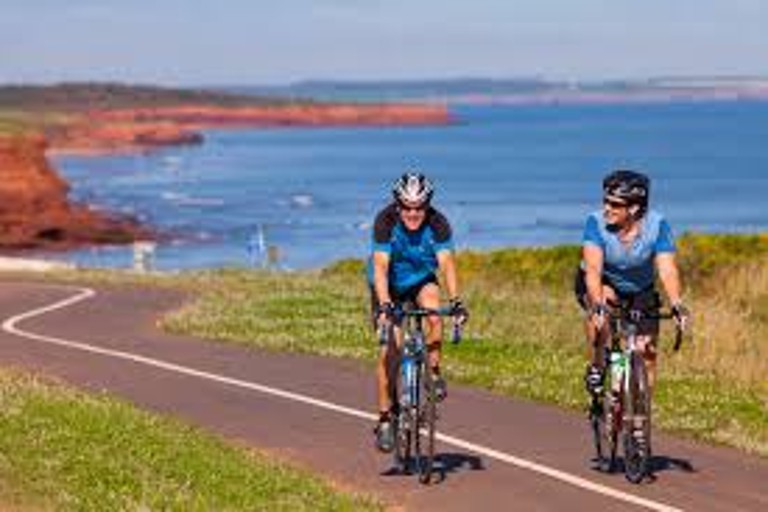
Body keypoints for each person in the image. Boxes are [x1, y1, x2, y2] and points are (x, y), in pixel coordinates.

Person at [369, 171, 468, 453]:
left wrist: (457, 300)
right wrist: (386, 305)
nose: (413, 214)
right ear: (398, 205)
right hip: (389, 286)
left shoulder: (438, 224)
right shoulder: (385, 221)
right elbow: (380, 267)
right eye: (408, 208)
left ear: (428, 205)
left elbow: (447, 264)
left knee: (434, 313)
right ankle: (386, 417)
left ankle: (433, 372)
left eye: (420, 208)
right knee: (391, 349)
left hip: (421, 280)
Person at [575, 169, 690, 398]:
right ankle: (597, 365)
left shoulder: (657, 226)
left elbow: (667, 269)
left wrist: (677, 304)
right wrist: (597, 305)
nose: (607, 208)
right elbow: (594, 269)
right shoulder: (595, 223)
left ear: (634, 208)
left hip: (640, 288)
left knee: (647, 352)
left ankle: (639, 418)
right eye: (605, 201)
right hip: (602, 281)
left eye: (615, 205)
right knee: (603, 313)